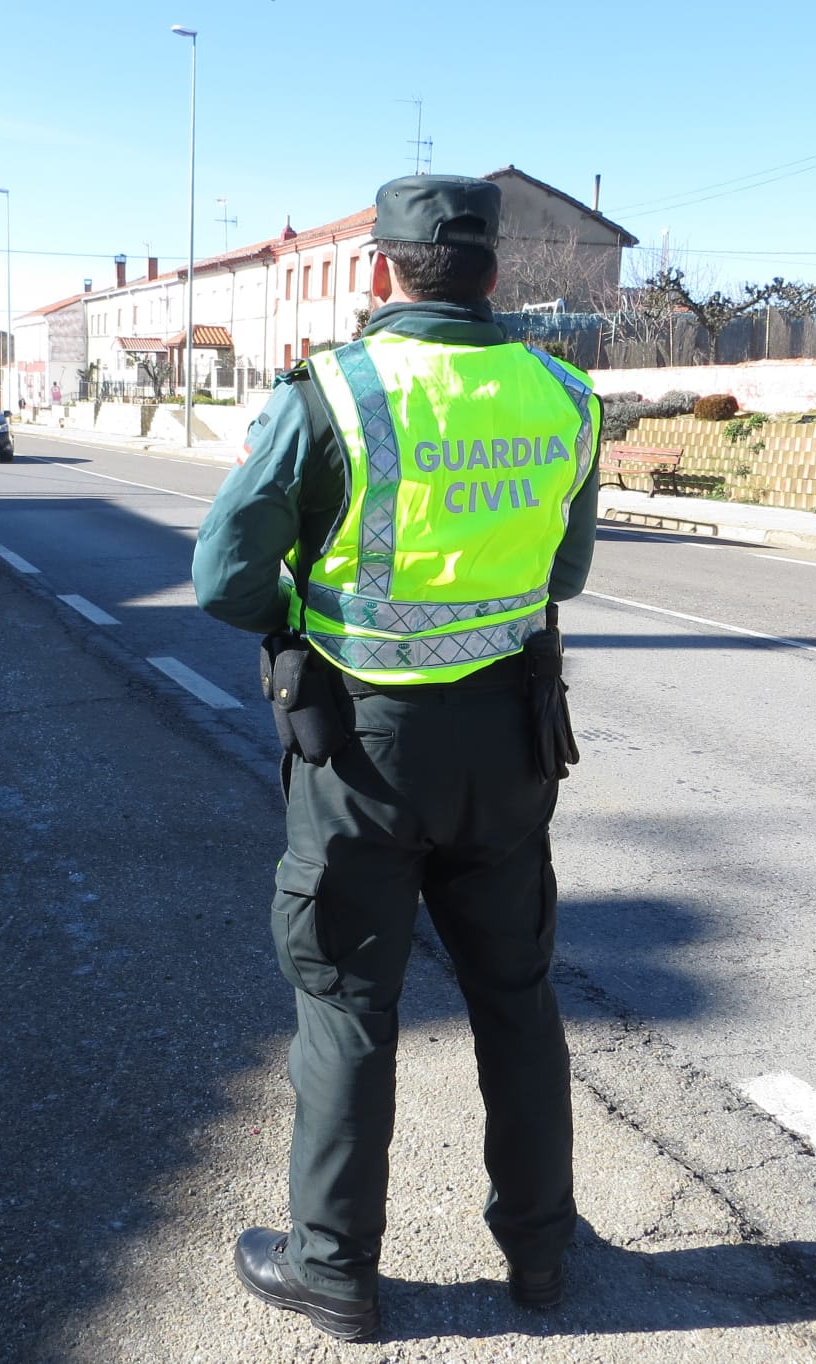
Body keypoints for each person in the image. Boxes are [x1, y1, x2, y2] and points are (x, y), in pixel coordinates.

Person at [192, 173, 601, 1341]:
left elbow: (225, 577)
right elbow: (560, 576)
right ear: (494, 270)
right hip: (512, 744)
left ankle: (336, 1272)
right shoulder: (564, 395)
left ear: (379, 269)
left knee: (347, 1007)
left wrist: (300, 615)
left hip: (365, 753)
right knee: (517, 1000)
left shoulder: (338, 389)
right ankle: (541, 1255)